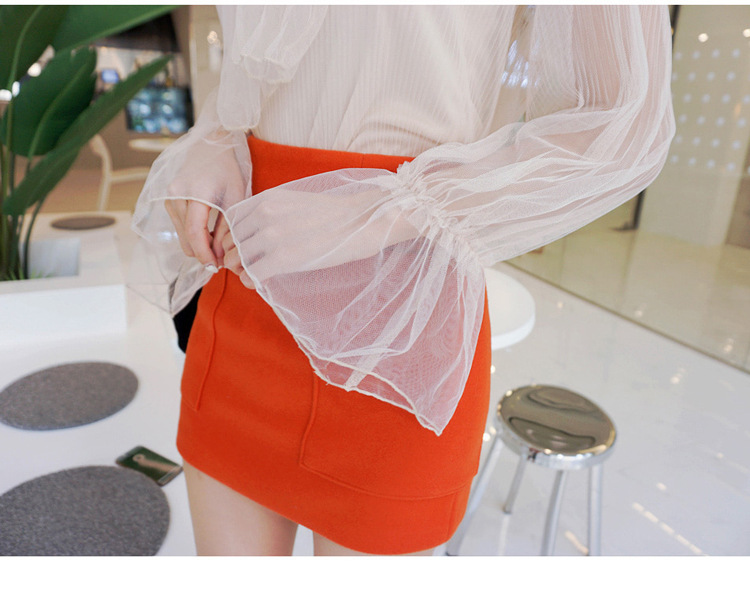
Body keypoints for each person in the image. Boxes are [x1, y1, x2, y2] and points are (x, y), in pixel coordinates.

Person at [132, 5, 674, 556]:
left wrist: (382, 209)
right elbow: (256, 67)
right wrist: (213, 139)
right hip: (245, 288)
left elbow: (623, 123)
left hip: (397, 315)